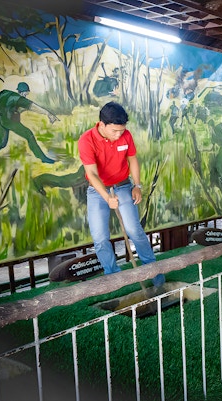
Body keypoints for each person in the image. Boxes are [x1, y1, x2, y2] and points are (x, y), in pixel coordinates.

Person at [78, 102, 164, 287]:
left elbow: (132, 159)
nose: (119, 135)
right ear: (102, 124)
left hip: (123, 186)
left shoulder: (125, 135)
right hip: (97, 190)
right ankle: (114, 278)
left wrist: (137, 185)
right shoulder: (86, 140)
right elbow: (92, 174)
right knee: (100, 238)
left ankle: (153, 272)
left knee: (134, 230)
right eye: (115, 131)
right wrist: (107, 198)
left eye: (122, 130)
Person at [0, 82, 58, 171]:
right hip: (8, 121)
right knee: (28, 134)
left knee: (1, 142)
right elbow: (33, 107)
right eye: (26, 94)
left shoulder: (3, 93)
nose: (26, 96)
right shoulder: (19, 99)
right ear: (23, 92)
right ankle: (43, 158)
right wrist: (48, 114)